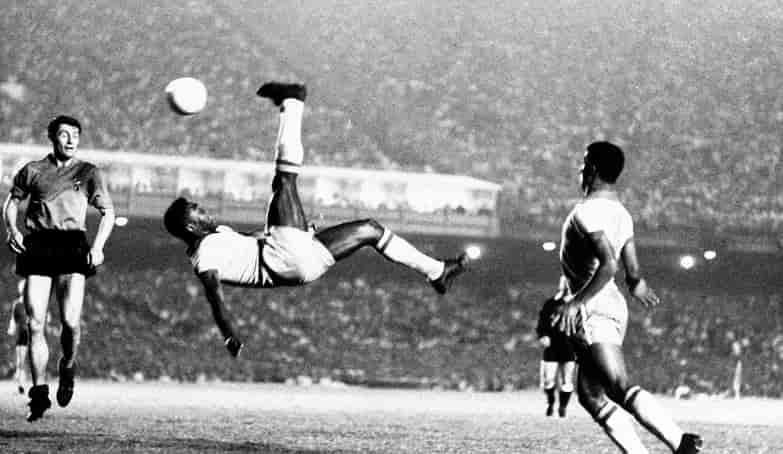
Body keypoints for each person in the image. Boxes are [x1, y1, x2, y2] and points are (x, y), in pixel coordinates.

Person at [164, 82, 470, 358]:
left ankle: (437, 271)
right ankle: (292, 102)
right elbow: (214, 297)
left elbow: (250, 245)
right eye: (196, 209)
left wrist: (298, 232)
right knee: (284, 181)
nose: (203, 209)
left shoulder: (217, 236)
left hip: (300, 262)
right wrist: (229, 333)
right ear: (190, 226)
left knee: (371, 229)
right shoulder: (204, 256)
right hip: (282, 259)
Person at [553, 141, 702, 454]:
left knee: (618, 385)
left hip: (593, 307)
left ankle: (680, 442)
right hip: (611, 304)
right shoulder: (621, 213)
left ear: (592, 169)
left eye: (583, 163)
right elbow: (632, 270)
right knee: (591, 396)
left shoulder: (587, 212)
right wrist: (637, 285)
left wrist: (575, 302)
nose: (580, 168)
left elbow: (609, 264)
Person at [3, 115, 115, 422]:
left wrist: (98, 247)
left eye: (75, 134)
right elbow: (11, 203)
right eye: (65, 134)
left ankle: (68, 364)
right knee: (35, 323)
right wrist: (13, 230)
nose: (71, 139)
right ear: (52, 137)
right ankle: (39, 393)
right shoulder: (33, 170)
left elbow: (108, 212)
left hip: (72, 244)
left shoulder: (88, 172)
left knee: (69, 322)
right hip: (38, 245)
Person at [535, 276, 576, 417]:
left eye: (569, 284)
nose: (566, 286)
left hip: (569, 346)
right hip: (552, 346)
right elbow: (541, 323)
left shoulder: (576, 304)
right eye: (564, 283)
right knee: (548, 379)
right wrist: (543, 336)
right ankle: (550, 402)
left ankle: (563, 408)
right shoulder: (551, 304)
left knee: (567, 379)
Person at [7, 279, 30, 395]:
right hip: (21, 335)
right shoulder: (17, 304)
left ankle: (30, 385)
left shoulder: (32, 303)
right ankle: (21, 385)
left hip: (31, 335)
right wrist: (11, 330)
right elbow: (13, 320)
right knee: (20, 362)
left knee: (27, 362)